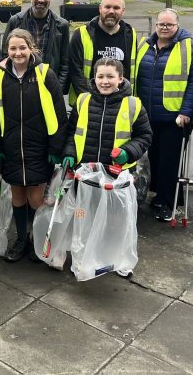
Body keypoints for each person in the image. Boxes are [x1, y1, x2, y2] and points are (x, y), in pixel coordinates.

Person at [62, 57, 153, 277]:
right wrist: (69, 154)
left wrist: (127, 152)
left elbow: (144, 136)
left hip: (116, 174)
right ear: (94, 78)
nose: (105, 81)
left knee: (116, 220)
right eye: (100, 76)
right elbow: (72, 132)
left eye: (110, 76)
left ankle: (116, 259)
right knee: (86, 217)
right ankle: (86, 257)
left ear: (120, 79)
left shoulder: (133, 104)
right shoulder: (83, 101)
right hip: (87, 174)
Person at [0, 29, 67, 262]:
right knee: (17, 195)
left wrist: (55, 148)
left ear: (31, 48)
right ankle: (21, 238)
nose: (18, 52)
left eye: (22, 47)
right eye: (13, 48)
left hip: (38, 147)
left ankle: (38, 238)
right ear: (7, 51)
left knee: (36, 198)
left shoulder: (44, 74)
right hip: (10, 147)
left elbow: (59, 113)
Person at [135, 8, 193, 221]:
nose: (164, 28)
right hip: (147, 115)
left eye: (169, 25)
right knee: (152, 159)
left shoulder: (190, 47)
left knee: (169, 162)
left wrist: (186, 111)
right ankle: (157, 196)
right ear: (156, 25)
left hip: (174, 117)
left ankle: (167, 203)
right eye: (161, 24)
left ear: (177, 25)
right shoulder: (144, 45)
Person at [68, 0, 137, 104]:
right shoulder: (81, 34)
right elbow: (75, 72)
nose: (111, 11)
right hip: (89, 102)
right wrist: (89, 102)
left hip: (121, 103)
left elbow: (130, 70)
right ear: (100, 8)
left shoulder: (130, 34)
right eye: (107, 7)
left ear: (123, 11)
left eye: (116, 8)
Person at [3, 0, 70, 91]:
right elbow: (5, 55)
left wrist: (57, 88)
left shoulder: (62, 25)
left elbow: (65, 62)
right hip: (20, 86)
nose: (41, 0)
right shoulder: (15, 21)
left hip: (49, 86)